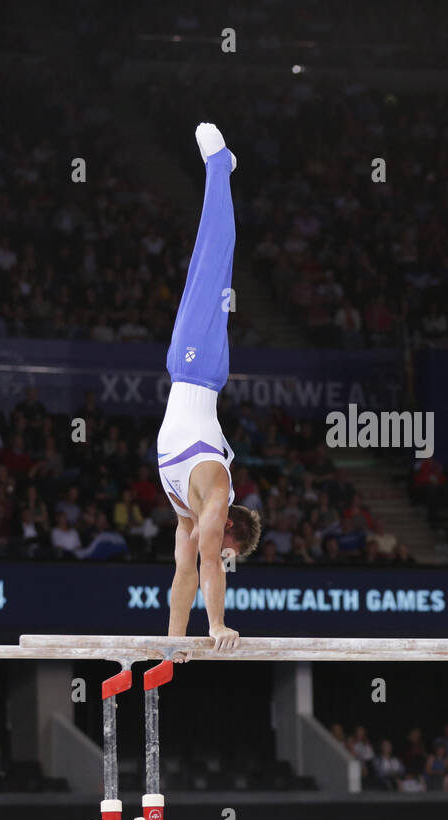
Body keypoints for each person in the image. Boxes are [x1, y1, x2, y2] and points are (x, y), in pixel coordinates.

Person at [161, 124, 262, 658]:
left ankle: (221, 167)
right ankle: (220, 165)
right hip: (200, 370)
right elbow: (205, 566)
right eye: (231, 553)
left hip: (186, 367)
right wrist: (218, 625)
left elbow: (185, 574)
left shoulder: (188, 508)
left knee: (211, 258)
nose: (224, 558)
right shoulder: (216, 489)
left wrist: (176, 644)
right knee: (215, 253)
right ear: (230, 525)